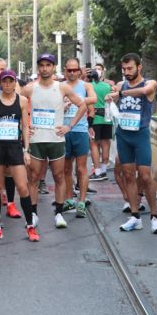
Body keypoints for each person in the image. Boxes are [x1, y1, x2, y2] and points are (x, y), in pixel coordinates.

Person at [20, 53, 86, 229]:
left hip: (56, 139)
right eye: (41, 65)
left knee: (59, 176)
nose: (44, 68)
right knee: (33, 177)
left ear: (54, 67)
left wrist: (69, 126)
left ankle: (58, 213)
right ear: (38, 68)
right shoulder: (29, 88)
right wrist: (25, 124)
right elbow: (13, 103)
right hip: (36, 139)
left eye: (48, 65)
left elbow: (83, 105)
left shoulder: (62, 88)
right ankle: (33, 214)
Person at [105, 53, 157, 233]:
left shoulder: (149, 83)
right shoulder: (121, 85)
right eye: (124, 69)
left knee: (145, 176)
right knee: (128, 175)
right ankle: (135, 215)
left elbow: (144, 92)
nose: (127, 72)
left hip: (141, 135)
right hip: (124, 135)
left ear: (139, 67)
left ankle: (154, 217)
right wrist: (111, 98)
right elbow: (115, 97)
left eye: (130, 68)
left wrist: (120, 93)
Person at [0, 70, 38, 241]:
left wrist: (26, 150)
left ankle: (30, 226)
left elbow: (25, 127)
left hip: (14, 147)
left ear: (14, 83)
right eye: (4, 82)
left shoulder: (22, 100)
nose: (7, 84)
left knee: (22, 187)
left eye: (10, 81)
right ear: (0, 83)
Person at [61, 57, 97, 218]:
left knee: (81, 168)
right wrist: (63, 103)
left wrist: (74, 100)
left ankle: (81, 201)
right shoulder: (59, 86)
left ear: (80, 71)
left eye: (75, 70)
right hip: (63, 130)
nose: (73, 72)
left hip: (80, 130)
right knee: (66, 168)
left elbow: (94, 99)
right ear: (65, 71)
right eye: (69, 70)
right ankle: (69, 199)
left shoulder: (86, 85)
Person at [88, 68, 113, 181]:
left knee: (93, 145)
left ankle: (97, 171)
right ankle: (103, 170)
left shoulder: (89, 86)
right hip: (107, 117)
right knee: (106, 144)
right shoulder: (107, 86)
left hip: (95, 117)